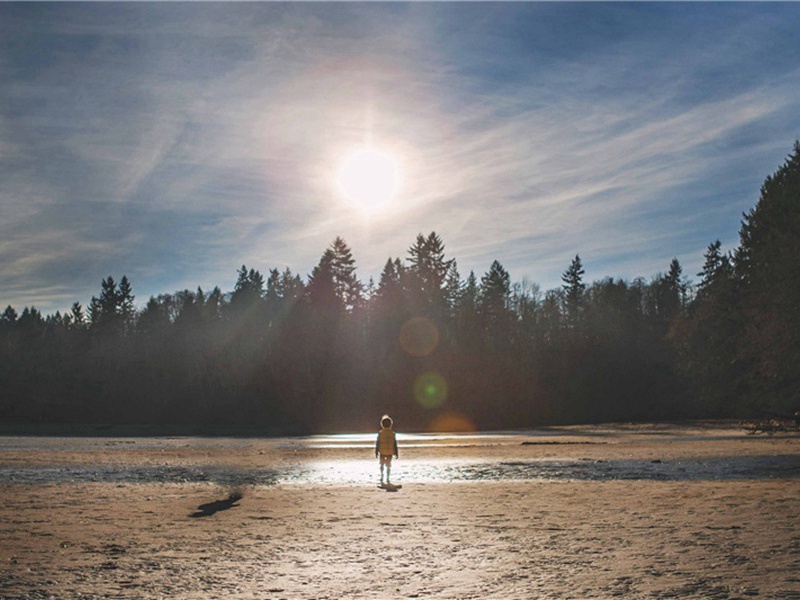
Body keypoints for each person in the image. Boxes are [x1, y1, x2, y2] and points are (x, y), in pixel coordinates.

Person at [375, 414, 399, 486]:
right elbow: (395, 444)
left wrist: (376, 451)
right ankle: (388, 478)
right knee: (388, 465)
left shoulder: (380, 433)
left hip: (382, 451)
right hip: (390, 451)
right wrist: (396, 452)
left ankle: (382, 477)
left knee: (381, 464)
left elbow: (378, 443)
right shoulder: (392, 433)